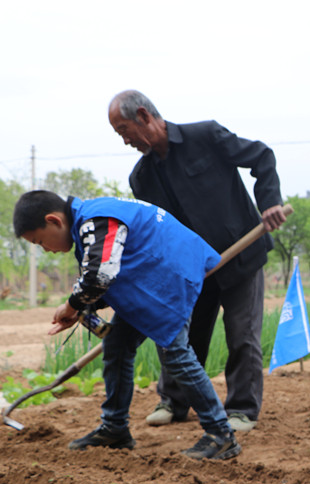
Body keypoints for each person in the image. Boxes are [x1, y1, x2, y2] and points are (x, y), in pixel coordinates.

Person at [13, 191, 240, 460]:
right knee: (117, 345)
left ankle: (221, 434)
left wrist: (72, 305)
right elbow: (103, 271)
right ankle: (115, 427)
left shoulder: (96, 220)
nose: (46, 249)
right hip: (150, 281)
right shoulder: (90, 220)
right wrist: (81, 308)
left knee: (175, 355)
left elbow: (100, 275)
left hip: (168, 278)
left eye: (40, 241)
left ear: (54, 220)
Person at [108, 90, 286, 433]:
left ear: (144, 115)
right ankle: (174, 401)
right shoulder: (141, 178)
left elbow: (262, 156)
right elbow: (156, 233)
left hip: (241, 257)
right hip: (193, 271)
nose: (125, 140)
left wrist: (269, 202)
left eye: (124, 130)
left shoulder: (205, 136)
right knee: (181, 336)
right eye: (119, 134)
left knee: (242, 335)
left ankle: (242, 410)